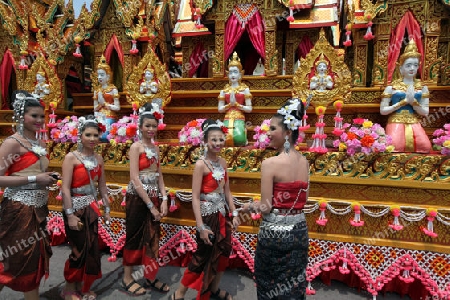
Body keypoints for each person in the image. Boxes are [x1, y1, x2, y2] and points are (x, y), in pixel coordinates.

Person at [242, 99, 309, 299]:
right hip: (299, 231)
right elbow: (304, 199)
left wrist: (247, 207)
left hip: (275, 234)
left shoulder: (270, 163)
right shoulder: (305, 161)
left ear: (288, 133)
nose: (268, 133)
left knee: (269, 282)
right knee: (294, 283)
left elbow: (265, 207)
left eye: (272, 128)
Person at [172, 119, 240, 300]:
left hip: (222, 215)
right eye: (214, 140)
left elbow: (227, 191)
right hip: (207, 217)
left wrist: (234, 213)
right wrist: (200, 227)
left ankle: (213, 289)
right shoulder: (201, 165)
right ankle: (179, 294)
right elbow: (194, 197)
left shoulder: (223, 162)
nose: (218, 143)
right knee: (202, 256)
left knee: (223, 253)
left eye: (220, 139)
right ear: (205, 141)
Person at [0, 91, 57, 300]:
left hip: (38, 208)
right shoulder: (12, 143)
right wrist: (35, 180)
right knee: (16, 259)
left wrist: (47, 178)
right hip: (18, 209)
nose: (40, 121)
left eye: (42, 116)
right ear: (20, 115)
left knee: (33, 259)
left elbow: (35, 172)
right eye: (34, 116)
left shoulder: (39, 143)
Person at [60, 116, 111, 300]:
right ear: (80, 136)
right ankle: (68, 288)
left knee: (91, 249)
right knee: (78, 250)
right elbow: (65, 188)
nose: (92, 138)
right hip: (74, 208)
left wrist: (106, 208)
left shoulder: (99, 158)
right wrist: (70, 214)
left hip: (91, 208)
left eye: (95, 135)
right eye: (88, 135)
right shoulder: (71, 158)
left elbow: (102, 186)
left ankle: (82, 286)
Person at [121, 102, 169, 296]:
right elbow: (134, 177)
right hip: (137, 197)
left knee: (152, 237)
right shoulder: (136, 147)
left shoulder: (156, 149)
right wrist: (150, 205)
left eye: (154, 126)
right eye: (147, 126)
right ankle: (127, 277)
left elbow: (160, 176)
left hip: (154, 197)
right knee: (134, 235)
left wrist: (164, 199)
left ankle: (149, 276)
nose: (151, 129)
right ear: (140, 127)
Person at [380, 39, 431, 153]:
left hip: (414, 120)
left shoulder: (422, 87)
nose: (412, 68)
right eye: (408, 65)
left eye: (415, 65)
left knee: (425, 147)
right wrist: (403, 102)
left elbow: (425, 112)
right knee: (394, 146)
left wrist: (414, 102)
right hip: (396, 120)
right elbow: (383, 111)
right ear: (400, 67)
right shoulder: (392, 87)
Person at [218, 52, 252, 147]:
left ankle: (243, 133)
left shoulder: (245, 89)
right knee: (223, 139)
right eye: (231, 72)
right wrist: (229, 105)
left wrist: (237, 105)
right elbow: (220, 109)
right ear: (228, 74)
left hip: (239, 117)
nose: (233, 75)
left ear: (240, 74)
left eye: (235, 72)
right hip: (227, 117)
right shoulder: (224, 91)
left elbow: (249, 109)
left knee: (239, 139)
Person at [93, 55, 120, 141]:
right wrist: (100, 105)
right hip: (99, 116)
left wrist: (104, 103)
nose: (99, 77)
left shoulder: (113, 89)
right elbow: (95, 108)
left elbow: (117, 108)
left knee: (104, 136)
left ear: (108, 76)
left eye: (102, 75)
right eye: (98, 75)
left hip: (110, 115)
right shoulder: (96, 91)